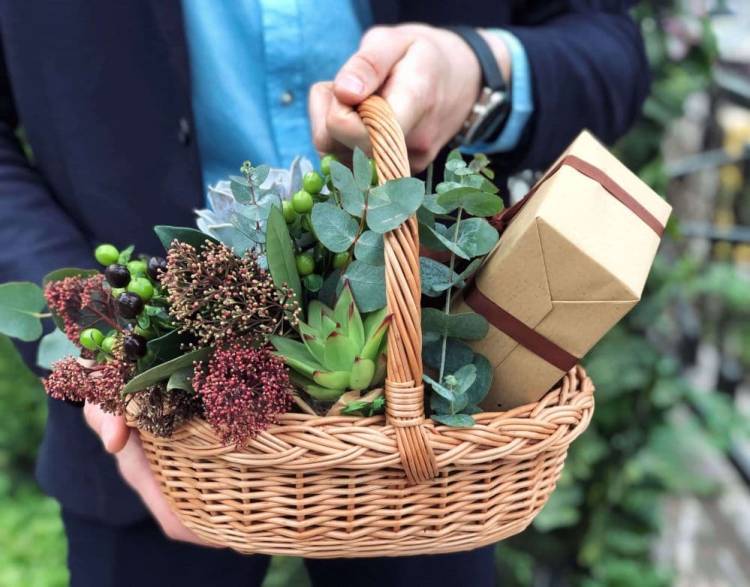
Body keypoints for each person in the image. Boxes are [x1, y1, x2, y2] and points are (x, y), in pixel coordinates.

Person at [0, 1, 649, 585]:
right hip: (153, 428)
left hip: (427, 429)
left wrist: (477, 69)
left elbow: (610, 48)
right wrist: (99, 327)